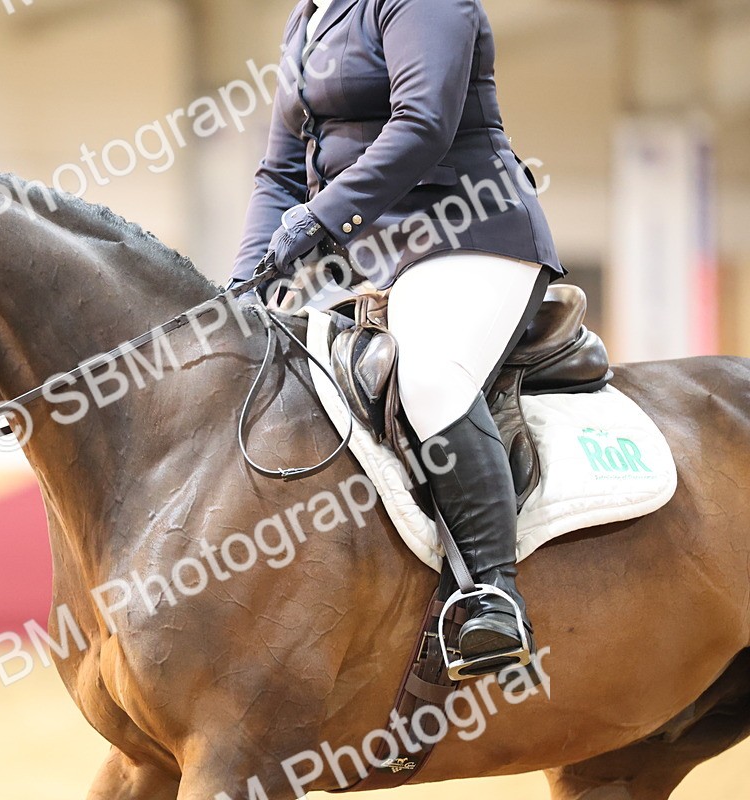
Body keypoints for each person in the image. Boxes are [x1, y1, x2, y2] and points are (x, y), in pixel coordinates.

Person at [229, 0, 564, 676]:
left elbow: (423, 124)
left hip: (470, 235)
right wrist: (243, 285)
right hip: (372, 261)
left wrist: (318, 220)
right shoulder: (309, 17)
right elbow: (280, 173)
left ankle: (495, 594)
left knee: (427, 376)